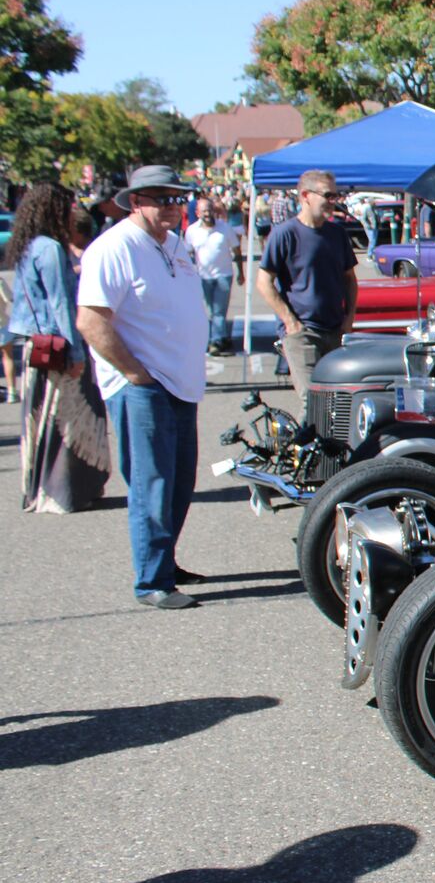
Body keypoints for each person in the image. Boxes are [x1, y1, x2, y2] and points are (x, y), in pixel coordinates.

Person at [75, 166, 209, 608]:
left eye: (178, 198)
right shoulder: (113, 247)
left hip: (179, 381)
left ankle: (165, 561)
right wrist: (134, 372)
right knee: (152, 483)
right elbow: (91, 320)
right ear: (135, 201)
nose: (173, 206)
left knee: (179, 480)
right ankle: (152, 581)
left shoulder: (173, 243)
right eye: (162, 199)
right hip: (143, 384)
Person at [4, 183, 111, 513]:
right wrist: (76, 353)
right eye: (67, 207)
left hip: (35, 345)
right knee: (69, 422)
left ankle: (40, 488)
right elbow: (60, 303)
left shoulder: (27, 245)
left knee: (42, 422)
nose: (71, 213)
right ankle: (64, 491)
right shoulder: (50, 248)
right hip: (59, 345)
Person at [256, 170, 357, 404]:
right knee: (313, 402)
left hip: (335, 330)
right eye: (327, 195)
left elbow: (350, 279)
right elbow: (264, 282)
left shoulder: (337, 234)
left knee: (337, 401)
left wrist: (349, 318)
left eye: (335, 195)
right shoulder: (284, 234)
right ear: (305, 196)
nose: (333, 201)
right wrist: (290, 322)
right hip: (303, 333)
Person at [185, 197, 244, 357]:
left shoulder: (225, 228)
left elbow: (236, 250)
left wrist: (241, 272)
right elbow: (187, 254)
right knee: (211, 310)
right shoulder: (192, 231)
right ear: (197, 213)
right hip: (203, 276)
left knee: (218, 310)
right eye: (204, 211)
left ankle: (215, 341)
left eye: (209, 210)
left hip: (223, 275)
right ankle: (222, 336)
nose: (207, 214)